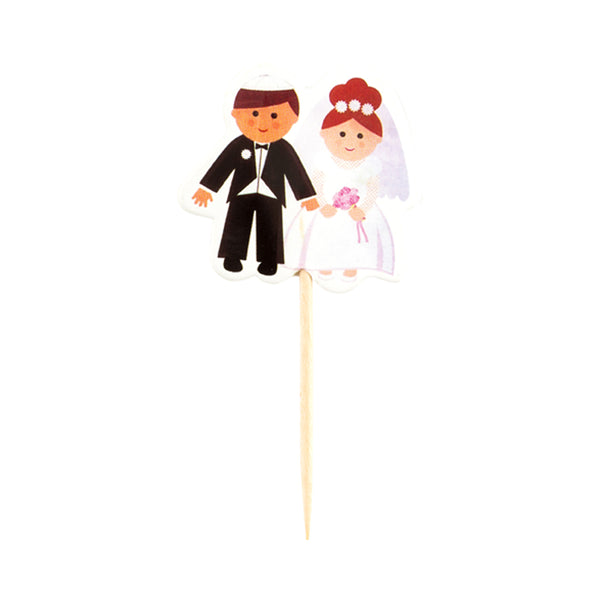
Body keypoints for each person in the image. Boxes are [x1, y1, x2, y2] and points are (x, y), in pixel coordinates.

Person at [192, 75, 317, 276]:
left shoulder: (284, 149)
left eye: (274, 116)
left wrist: (306, 196)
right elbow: (222, 166)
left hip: (272, 194)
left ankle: (269, 261)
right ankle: (232, 257)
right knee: (236, 223)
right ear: (236, 115)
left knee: (271, 227)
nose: (263, 122)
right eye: (255, 113)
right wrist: (207, 189)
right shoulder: (238, 145)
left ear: (292, 118)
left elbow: (296, 172)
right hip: (241, 192)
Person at [286, 78, 395, 282]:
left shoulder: (369, 167)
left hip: (356, 212)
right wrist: (323, 204)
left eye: (360, 136)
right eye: (342, 133)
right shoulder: (324, 162)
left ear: (375, 140)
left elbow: (373, 189)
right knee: (325, 236)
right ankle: (324, 264)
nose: (350, 141)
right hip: (327, 210)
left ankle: (351, 264)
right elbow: (317, 185)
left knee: (352, 239)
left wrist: (363, 208)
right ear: (325, 134)